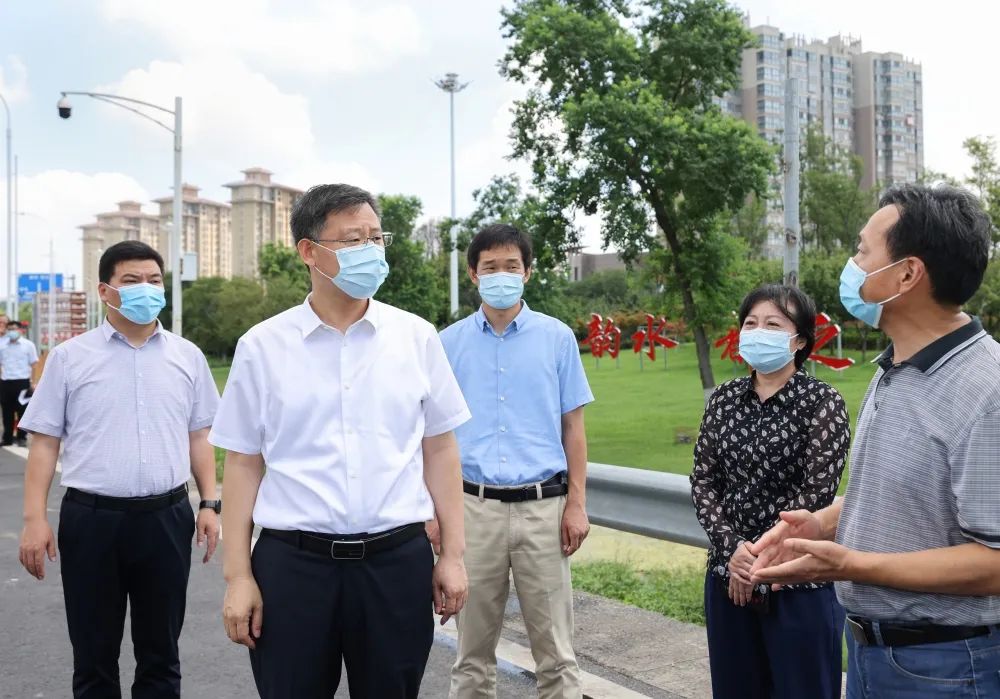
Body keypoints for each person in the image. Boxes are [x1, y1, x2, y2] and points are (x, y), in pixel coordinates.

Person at [213, 183, 470, 699]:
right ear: (309, 251)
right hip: (293, 569)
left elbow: (439, 449)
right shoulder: (262, 347)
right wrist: (238, 575)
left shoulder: (416, 337)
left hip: (396, 564)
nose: (371, 251)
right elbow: (242, 464)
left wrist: (454, 555)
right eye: (354, 240)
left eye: (377, 238)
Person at [751, 184, 1000, 697]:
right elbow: (911, 492)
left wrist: (852, 564)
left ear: (907, 274)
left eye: (863, 251)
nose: (852, 264)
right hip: (869, 654)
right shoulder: (895, 367)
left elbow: (994, 561)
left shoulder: (986, 388)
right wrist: (824, 522)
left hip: (947, 666)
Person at [17, 240, 222, 698]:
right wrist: (35, 519)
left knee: (161, 653)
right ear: (105, 290)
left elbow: (200, 435)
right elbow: (45, 442)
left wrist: (209, 501)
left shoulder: (186, 356)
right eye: (131, 281)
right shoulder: (70, 358)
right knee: (93, 654)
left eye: (153, 280)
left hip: (166, 517)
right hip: (92, 520)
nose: (144, 289)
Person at [438, 223, 594, 699]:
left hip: (544, 508)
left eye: (511, 266)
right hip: (473, 510)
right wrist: (436, 516)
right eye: (491, 267)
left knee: (557, 655)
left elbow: (573, 427)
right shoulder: (448, 343)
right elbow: (434, 437)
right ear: (473, 274)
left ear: (527, 273)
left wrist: (577, 504)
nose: (501, 275)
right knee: (471, 656)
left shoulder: (557, 338)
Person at [690, 284, 850, 699]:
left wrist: (757, 562)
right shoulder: (723, 399)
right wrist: (733, 551)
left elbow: (816, 492)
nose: (758, 331)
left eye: (773, 324)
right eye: (750, 323)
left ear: (799, 340)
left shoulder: (823, 403)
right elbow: (704, 481)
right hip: (729, 577)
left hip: (797, 582)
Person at [1, 319, 39, 446]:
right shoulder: (2, 345)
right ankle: (7, 438)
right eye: (10, 329)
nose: (12, 332)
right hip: (6, 382)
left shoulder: (28, 345)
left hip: (23, 382)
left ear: (20, 330)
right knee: (7, 412)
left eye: (14, 329)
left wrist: (33, 382)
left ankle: (21, 437)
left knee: (22, 411)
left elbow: (34, 364)